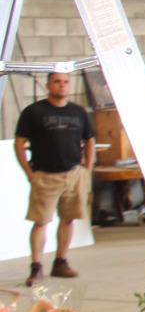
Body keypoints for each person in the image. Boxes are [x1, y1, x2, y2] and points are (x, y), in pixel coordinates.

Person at [14, 71, 95, 285]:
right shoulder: (34, 112)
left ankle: (61, 261)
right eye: (57, 82)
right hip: (45, 175)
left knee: (68, 219)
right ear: (49, 84)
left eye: (66, 82)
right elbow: (20, 143)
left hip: (74, 174)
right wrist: (29, 173)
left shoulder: (78, 112)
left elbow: (89, 140)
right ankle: (36, 266)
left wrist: (88, 167)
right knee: (41, 221)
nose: (62, 86)